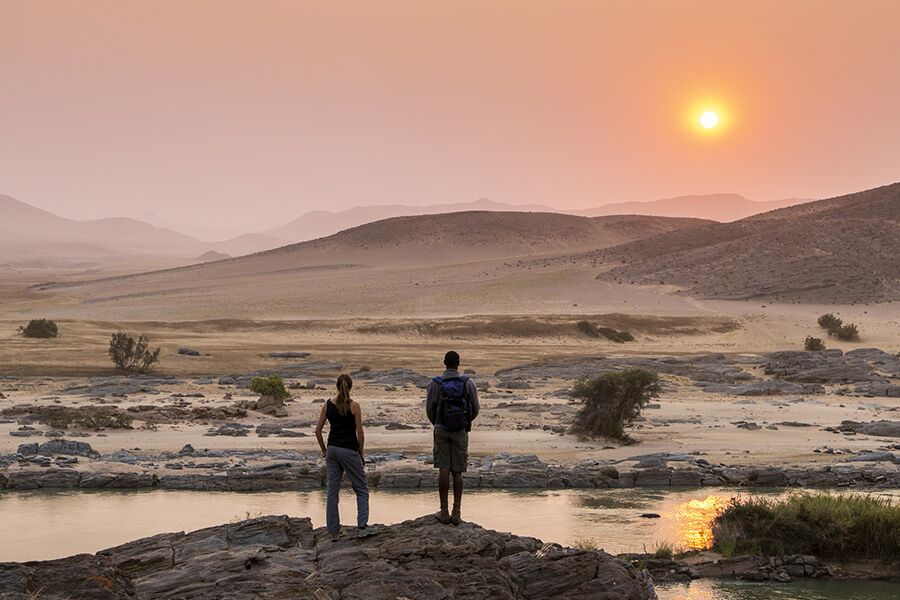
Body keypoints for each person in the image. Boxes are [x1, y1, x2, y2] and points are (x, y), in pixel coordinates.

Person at [426, 350, 480, 525]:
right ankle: (457, 512)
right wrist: (464, 422)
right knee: (457, 471)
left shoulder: (435, 384)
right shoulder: (468, 383)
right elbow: (476, 408)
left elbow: (429, 409)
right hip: (460, 430)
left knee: (443, 468)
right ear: (458, 364)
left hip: (441, 428)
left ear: (444, 363)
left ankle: (443, 511)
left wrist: (438, 423)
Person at [315, 373, 369, 540]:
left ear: (337, 387)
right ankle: (362, 526)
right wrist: (361, 453)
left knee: (332, 491)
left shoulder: (327, 405)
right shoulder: (355, 406)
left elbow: (317, 431)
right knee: (361, 488)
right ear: (350, 387)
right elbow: (360, 433)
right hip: (349, 450)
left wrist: (324, 450)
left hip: (332, 450)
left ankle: (333, 532)